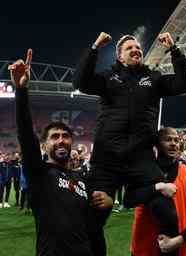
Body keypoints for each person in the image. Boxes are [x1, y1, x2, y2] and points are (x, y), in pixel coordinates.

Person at [73, 31, 186, 249]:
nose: (135, 49)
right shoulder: (108, 78)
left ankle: (167, 247)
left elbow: (185, 84)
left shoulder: (154, 79)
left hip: (142, 159)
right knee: (91, 223)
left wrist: (174, 50)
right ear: (119, 56)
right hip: (106, 160)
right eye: (129, 48)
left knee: (166, 213)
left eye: (137, 47)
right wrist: (94, 48)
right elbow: (81, 82)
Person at [9, 49, 113, 256]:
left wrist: (108, 204)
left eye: (65, 136)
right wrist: (21, 91)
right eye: (54, 137)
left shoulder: (82, 180)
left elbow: (94, 224)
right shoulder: (39, 172)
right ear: (44, 146)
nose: (61, 140)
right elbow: (26, 136)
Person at [130, 127, 186, 256]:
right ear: (157, 144)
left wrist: (178, 240)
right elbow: (129, 199)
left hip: (178, 248)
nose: (173, 144)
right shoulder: (144, 171)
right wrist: (157, 187)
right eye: (168, 140)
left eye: (176, 140)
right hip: (144, 248)